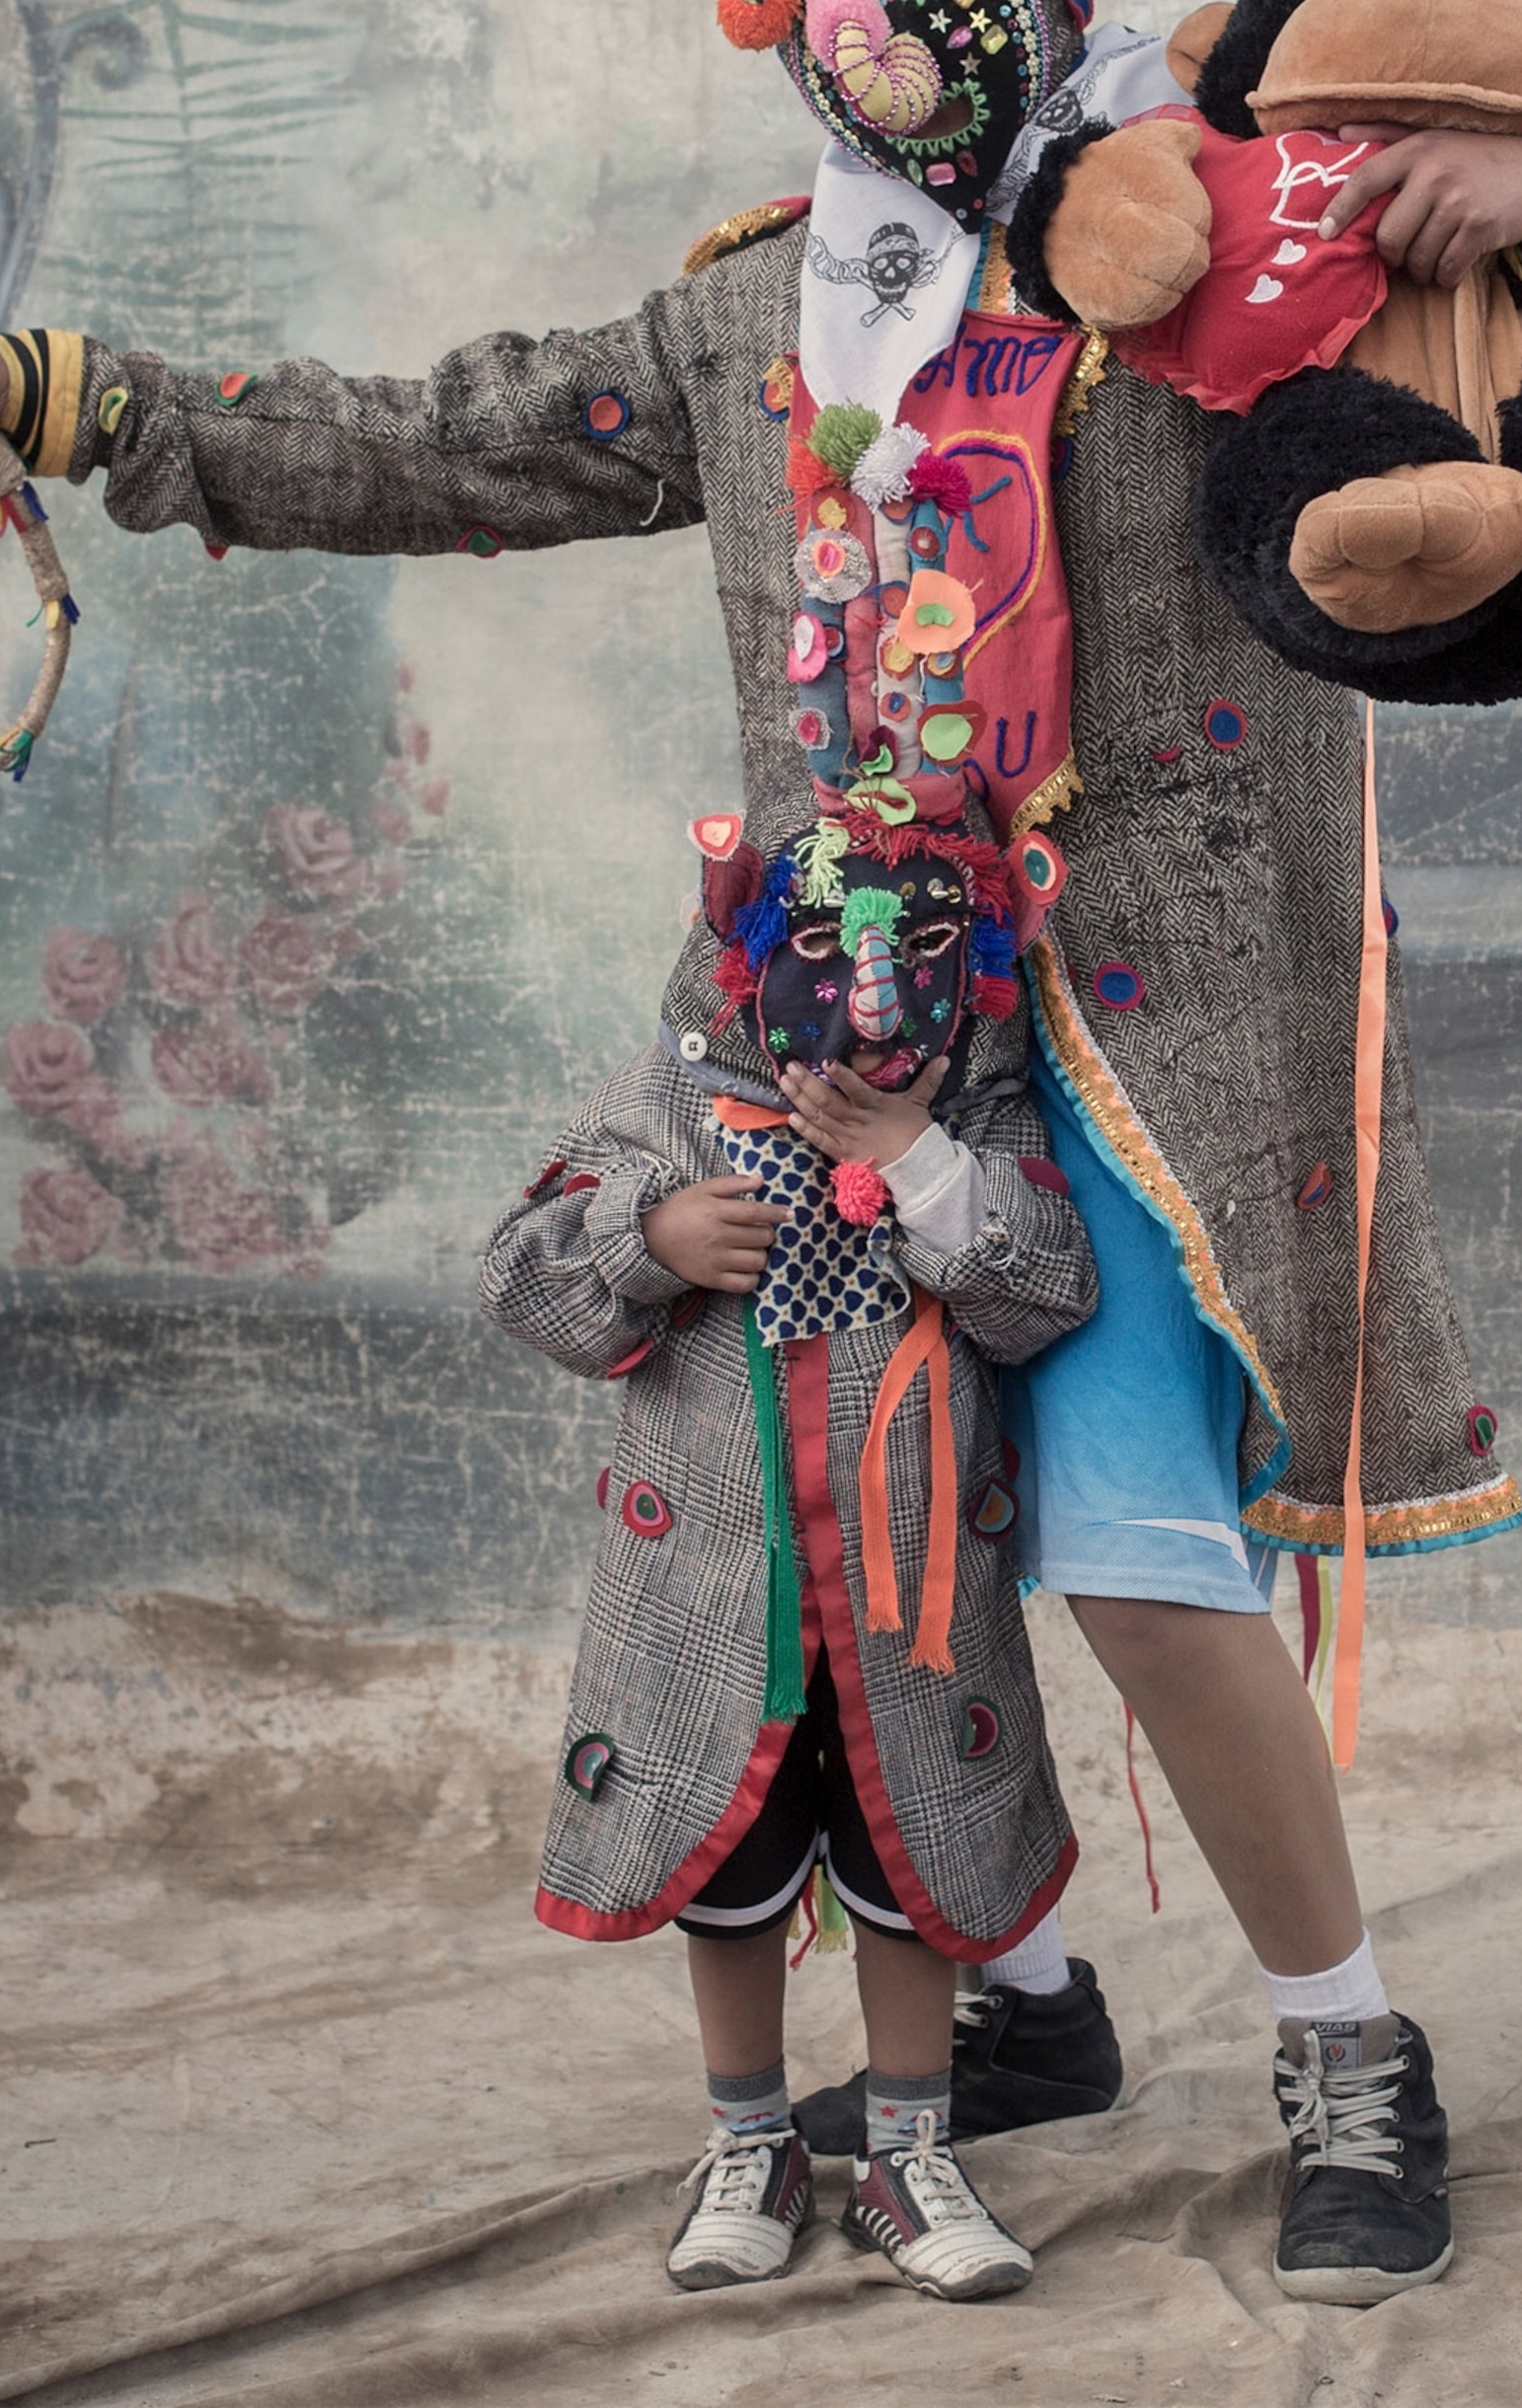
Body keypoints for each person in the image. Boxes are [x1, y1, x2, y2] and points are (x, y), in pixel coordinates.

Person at [0, 0, 1522, 2304]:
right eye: (844, 3)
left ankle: (1351, 2041)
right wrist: (63, 399)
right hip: (850, 1039)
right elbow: (425, 442)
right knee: (870, 1534)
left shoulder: (1215, 258)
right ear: (796, 40)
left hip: (1143, 1028)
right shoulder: (755, 321)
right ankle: (1011, 1978)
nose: (894, 38)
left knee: (1129, 1549)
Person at [481, 809, 1094, 2301]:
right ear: (752, 953)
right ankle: (748, 2137)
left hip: (907, 1600)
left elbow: (1048, 1291)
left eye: (922, 954)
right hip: (712, 1599)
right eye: (824, 949)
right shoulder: (668, 1101)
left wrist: (924, 1162)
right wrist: (651, 1235)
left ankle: (907, 2147)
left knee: (910, 1853)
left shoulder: (983, 1108)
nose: (871, 998)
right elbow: (522, 1276)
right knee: (731, 1866)